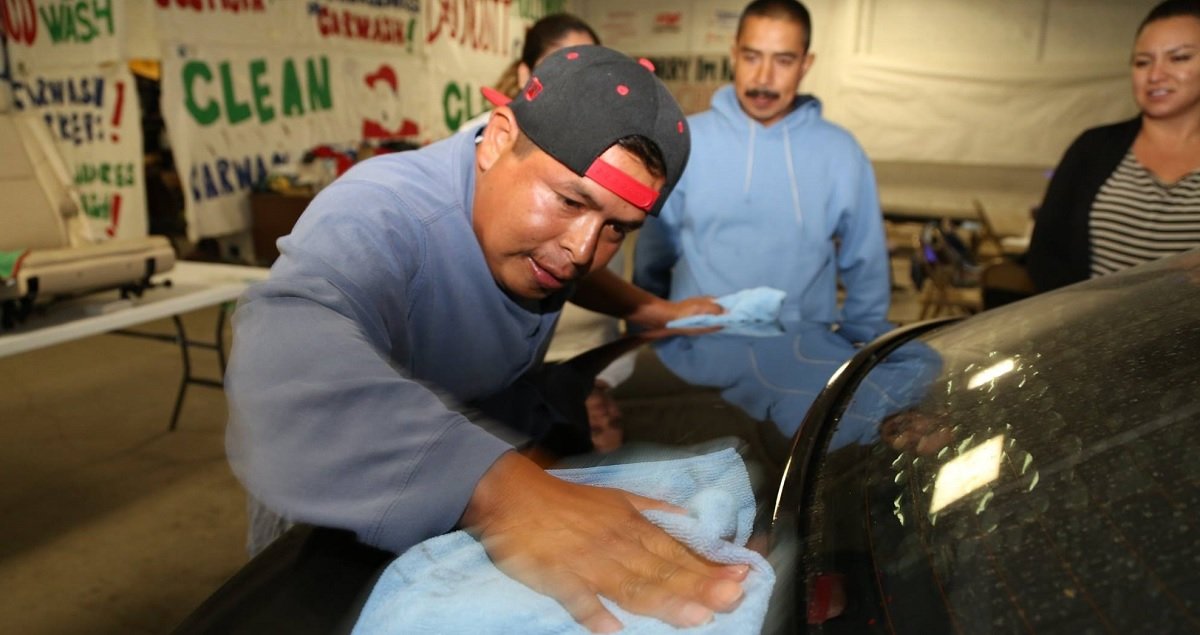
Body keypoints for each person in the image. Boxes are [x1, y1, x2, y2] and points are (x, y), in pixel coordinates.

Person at [225, 46, 736, 632]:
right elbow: (284, 360)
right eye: (570, 200)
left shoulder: (541, 238)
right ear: (497, 139)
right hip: (334, 502)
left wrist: (653, 309)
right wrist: (503, 492)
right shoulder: (381, 214)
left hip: (461, 472)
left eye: (617, 228)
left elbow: (581, 271)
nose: (582, 250)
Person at [634, 0, 892, 346]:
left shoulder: (842, 153)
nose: (763, 78)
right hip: (695, 354)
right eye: (752, 57)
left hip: (803, 357)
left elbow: (867, 268)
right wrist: (647, 337)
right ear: (734, 55)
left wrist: (856, 350)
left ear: (806, 64)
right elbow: (652, 259)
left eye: (783, 61)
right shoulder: (687, 141)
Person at [1028, 0, 1200, 291]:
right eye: (1142, 62)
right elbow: (1046, 254)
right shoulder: (1093, 149)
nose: (1155, 75)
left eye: (1179, 58)